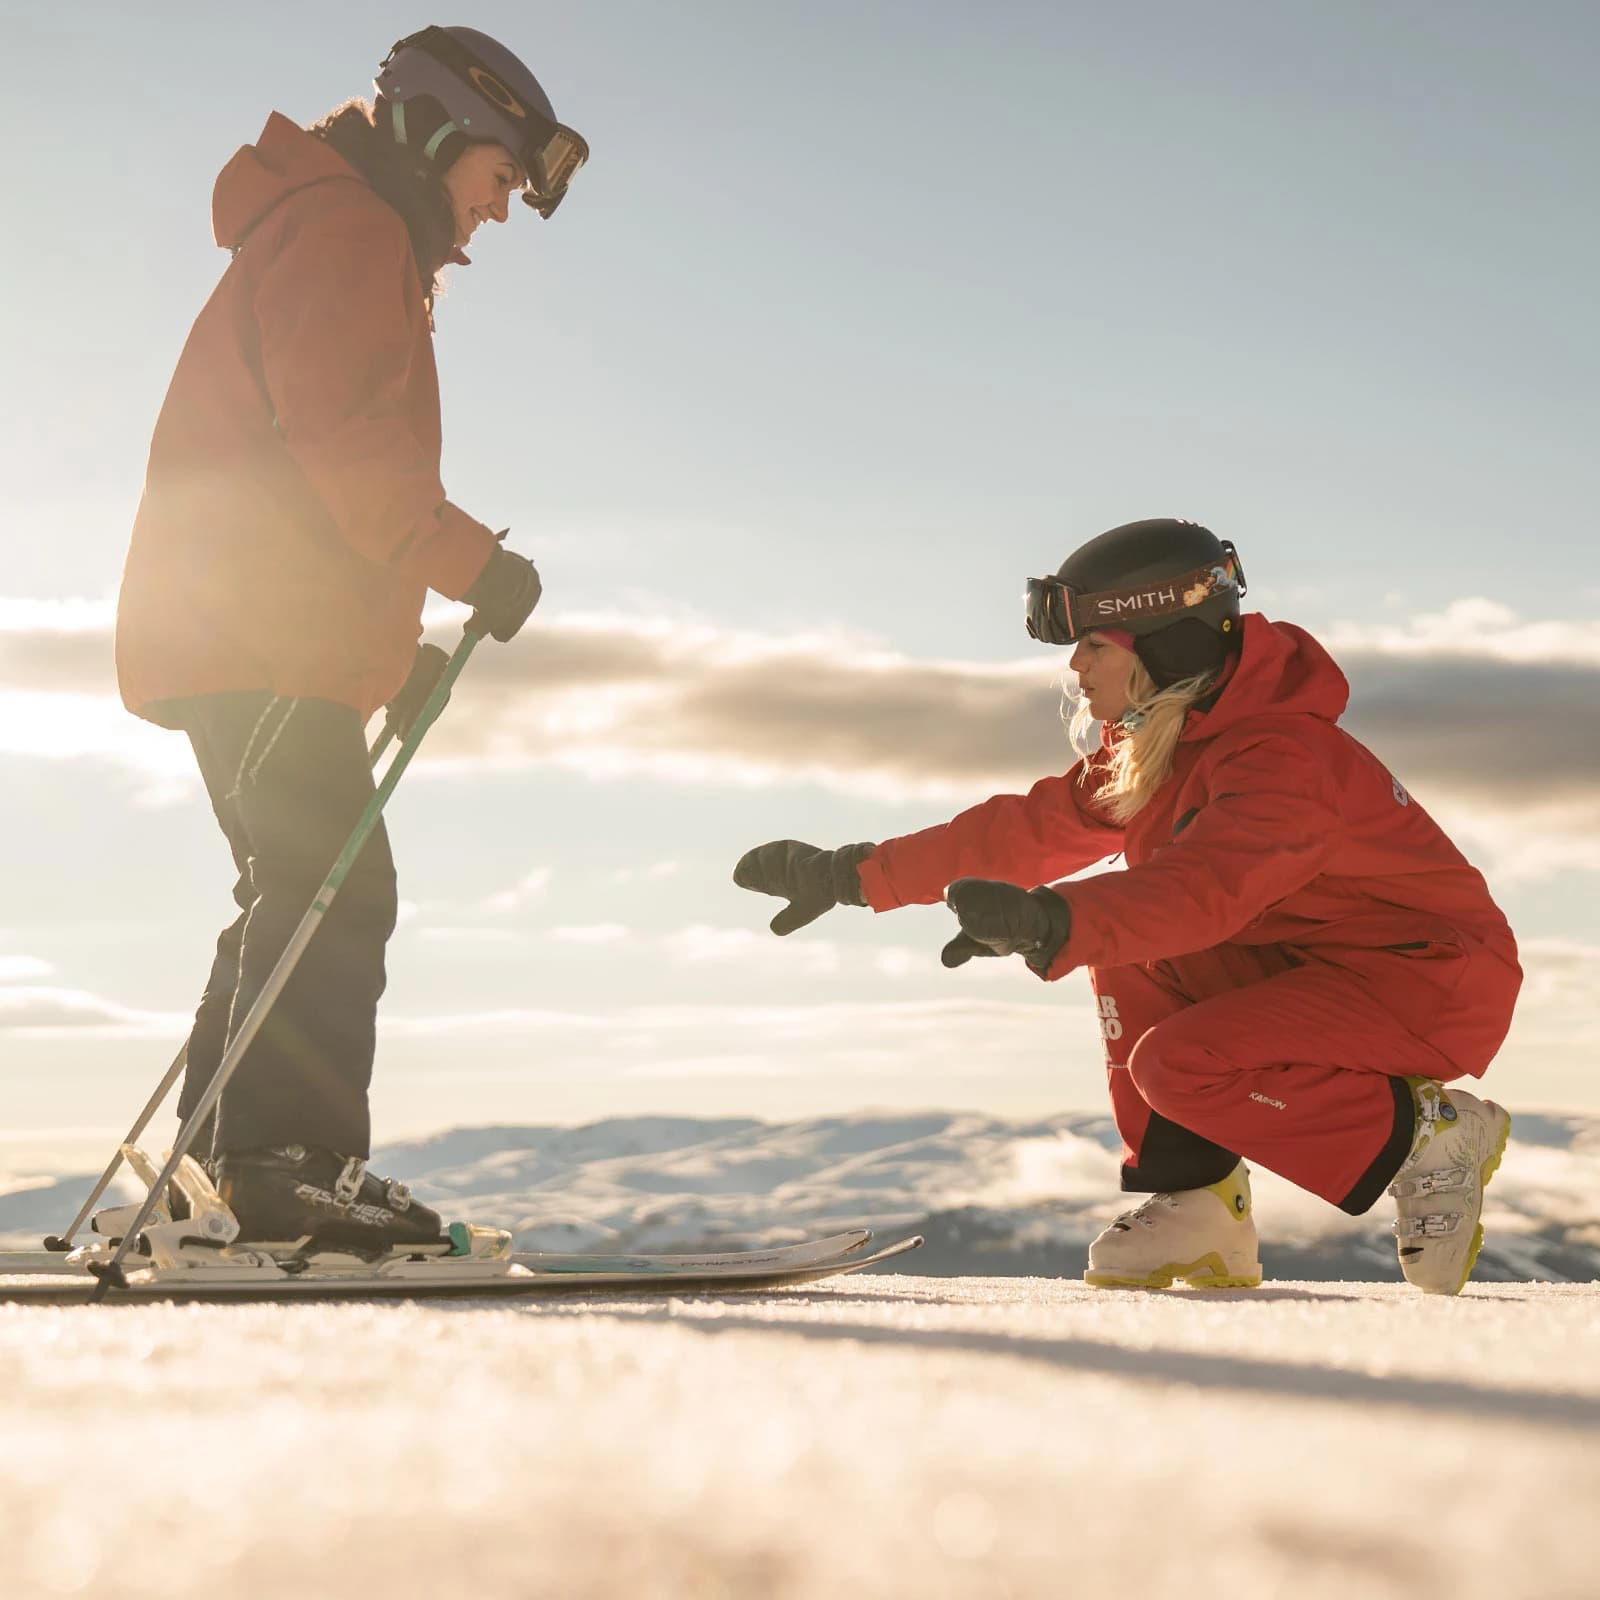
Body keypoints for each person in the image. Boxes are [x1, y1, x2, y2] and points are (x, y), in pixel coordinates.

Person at [734, 519, 1522, 1296]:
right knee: (1126, 948)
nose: (1075, 667)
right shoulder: (1167, 744)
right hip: (1316, 965)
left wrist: (1054, 922)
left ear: (1167, 645)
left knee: (1174, 1058)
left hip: (1423, 983)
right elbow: (1032, 828)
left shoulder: (1285, 760)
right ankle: (1200, 1203)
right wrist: (856, 876)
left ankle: (1430, 1136)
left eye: (1095, 645)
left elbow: (1204, 890)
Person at [114, 26, 587, 1250]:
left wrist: (391, 648)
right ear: (437, 132)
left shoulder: (340, 226)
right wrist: (472, 564)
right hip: (250, 636)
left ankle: (224, 1173)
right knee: (337, 887)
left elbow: (308, 472)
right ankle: (279, 1169)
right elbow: (351, 452)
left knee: (294, 889)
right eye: (493, 183)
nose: (489, 219)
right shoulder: (346, 231)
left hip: (253, 633)